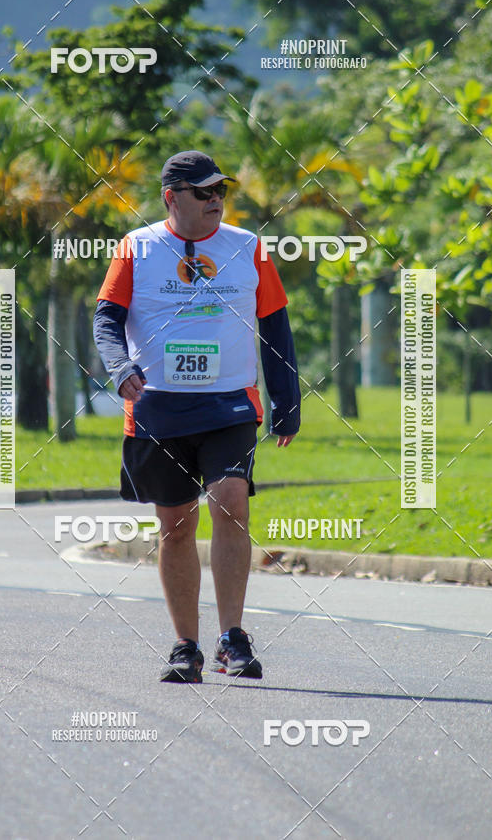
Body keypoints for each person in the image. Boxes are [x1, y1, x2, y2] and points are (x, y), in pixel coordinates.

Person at [93, 150, 300, 683]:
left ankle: (233, 637)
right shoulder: (137, 247)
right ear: (171, 197)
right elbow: (107, 321)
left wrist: (287, 403)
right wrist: (119, 368)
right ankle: (186, 646)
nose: (215, 201)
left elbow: (275, 327)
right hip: (158, 406)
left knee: (231, 502)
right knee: (177, 526)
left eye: (220, 192)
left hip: (229, 403)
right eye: (203, 192)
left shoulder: (248, 248)